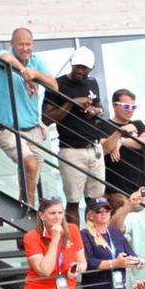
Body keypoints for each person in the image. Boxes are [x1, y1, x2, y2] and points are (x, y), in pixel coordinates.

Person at [42, 46, 107, 225]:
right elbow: (47, 119)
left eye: (84, 68)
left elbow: (99, 106)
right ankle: (75, 244)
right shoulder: (58, 85)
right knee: (73, 201)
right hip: (71, 149)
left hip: (94, 148)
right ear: (71, 63)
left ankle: (95, 241)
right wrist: (72, 103)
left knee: (96, 200)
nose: (80, 70)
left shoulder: (92, 82)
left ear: (90, 68)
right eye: (77, 66)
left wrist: (96, 110)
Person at [0, 27, 56, 206]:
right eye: (20, 44)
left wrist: (35, 74)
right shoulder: (3, 55)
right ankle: (30, 210)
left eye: (28, 44)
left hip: (33, 130)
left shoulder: (36, 61)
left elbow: (54, 86)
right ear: (12, 44)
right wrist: (25, 73)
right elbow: (6, 59)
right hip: (8, 130)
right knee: (30, 164)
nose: (25, 48)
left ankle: (24, 203)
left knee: (31, 173)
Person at [101, 88, 145, 204]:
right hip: (115, 189)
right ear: (114, 105)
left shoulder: (137, 124)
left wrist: (121, 141)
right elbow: (105, 148)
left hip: (140, 188)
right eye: (127, 106)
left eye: (133, 107)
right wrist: (120, 131)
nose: (130, 110)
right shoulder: (103, 125)